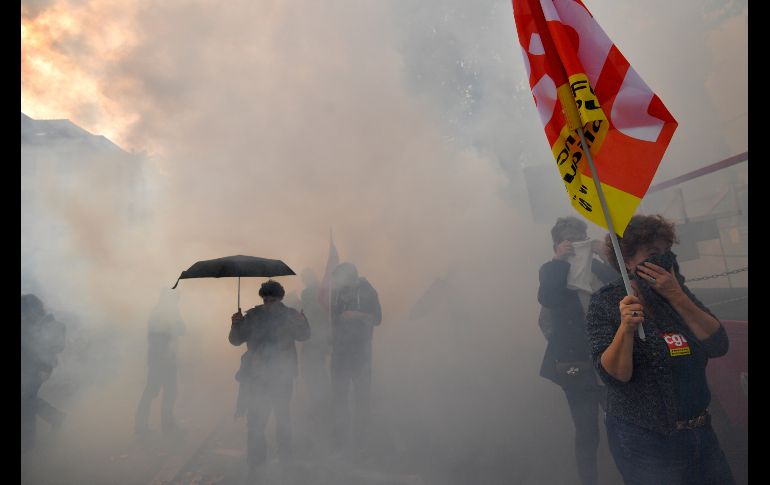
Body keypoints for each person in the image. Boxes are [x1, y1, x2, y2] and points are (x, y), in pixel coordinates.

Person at [585, 214, 735, 484]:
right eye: (653, 253)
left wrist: (676, 295)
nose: (663, 260)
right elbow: (615, 375)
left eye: (667, 251)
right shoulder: (605, 302)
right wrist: (626, 328)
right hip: (646, 441)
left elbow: (718, 344)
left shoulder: (677, 291)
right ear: (628, 261)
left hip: (700, 431)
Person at [537, 216, 618, 485]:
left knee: (622, 423)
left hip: (612, 361)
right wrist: (567, 345)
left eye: (578, 237)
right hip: (576, 366)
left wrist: (606, 254)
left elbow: (624, 284)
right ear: (557, 245)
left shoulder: (596, 267)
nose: (573, 244)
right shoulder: (554, 273)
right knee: (586, 431)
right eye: (566, 240)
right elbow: (546, 307)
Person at [229, 280, 310, 480]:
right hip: (256, 377)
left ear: (279, 298)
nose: (267, 303)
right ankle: (256, 466)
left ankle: (286, 462)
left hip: (282, 376)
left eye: (271, 299)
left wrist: (303, 322)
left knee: (282, 420)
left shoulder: (290, 315)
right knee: (255, 423)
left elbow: (304, 336)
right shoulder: (253, 316)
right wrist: (235, 324)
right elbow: (235, 340)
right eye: (265, 299)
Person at [329, 262, 381, 453]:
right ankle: (340, 442)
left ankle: (362, 444)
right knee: (338, 398)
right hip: (340, 354)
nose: (336, 283)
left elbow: (377, 319)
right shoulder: (338, 294)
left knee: (362, 399)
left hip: (361, 354)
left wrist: (357, 315)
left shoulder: (368, 291)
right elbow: (334, 320)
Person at [135, 288, 186, 436]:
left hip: (167, 358)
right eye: (176, 299)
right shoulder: (159, 314)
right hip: (159, 359)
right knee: (152, 391)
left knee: (169, 392)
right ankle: (140, 427)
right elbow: (159, 337)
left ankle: (166, 425)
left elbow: (182, 330)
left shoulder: (170, 313)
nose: (177, 302)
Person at [21, 294, 67, 452]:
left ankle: (28, 445)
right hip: (29, 369)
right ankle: (55, 417)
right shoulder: (30, 323)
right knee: (28, 400)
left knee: (26, 404)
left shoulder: (51, 325)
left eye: (24, 310)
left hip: (38, 370)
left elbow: (57, 347)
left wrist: (43, 366)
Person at [298, 269, 332, 438]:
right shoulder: (325, 290)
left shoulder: (309, 293)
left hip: (313, 337)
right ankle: (321, 404)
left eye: (305, 278)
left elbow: (308, 314)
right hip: (319, 337)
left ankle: (319, 405)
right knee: (317, 370)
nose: (304, 280)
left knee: (311, 372)